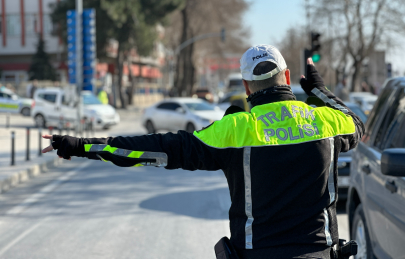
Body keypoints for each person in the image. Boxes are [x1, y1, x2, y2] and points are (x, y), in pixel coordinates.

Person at [42, 45, 364, 259]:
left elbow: (154, 148)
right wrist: (319, 88)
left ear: (247, 86)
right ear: (288, 78)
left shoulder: (233, 130)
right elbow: (357, 123)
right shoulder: (327, 122)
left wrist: (81, 145)